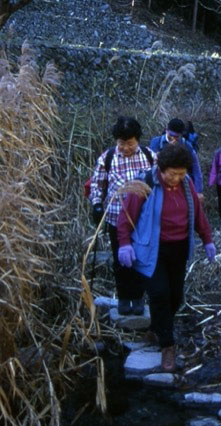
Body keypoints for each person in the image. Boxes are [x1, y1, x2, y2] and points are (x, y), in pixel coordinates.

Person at [117, 143, 216, 372]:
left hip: (179, 247)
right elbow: (126, 216)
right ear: (161, 169)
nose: (176, 178)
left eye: (181, 173)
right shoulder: (144, 184)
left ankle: (155, 329)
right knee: (159, 294)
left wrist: (207, 239)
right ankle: (167, 346)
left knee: (175, 297)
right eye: (172, 174)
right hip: (152, 249)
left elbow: (198, 215)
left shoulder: (186, 183)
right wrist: (124, 244)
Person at [89, 116, 155, 316]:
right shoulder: (108, 158)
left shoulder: (150, 156)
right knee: (121, 261)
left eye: (130, 143)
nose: (125, 147)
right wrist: (97, 205)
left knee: (140, 260)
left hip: (143, 222)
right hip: (116, 219)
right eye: (121, 143)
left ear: (138, 140)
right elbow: (96, 184)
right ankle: (124, 299)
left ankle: (138, 298)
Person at [149, 118, 204, 200]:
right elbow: (150, 164)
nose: (174, 139)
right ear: (166, 130)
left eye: (176, 137)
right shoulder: (156, 142)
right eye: (171, 136)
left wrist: (198, 191)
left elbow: (196, 169)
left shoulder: (187, 145)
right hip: (160, 182)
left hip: (181, 182)